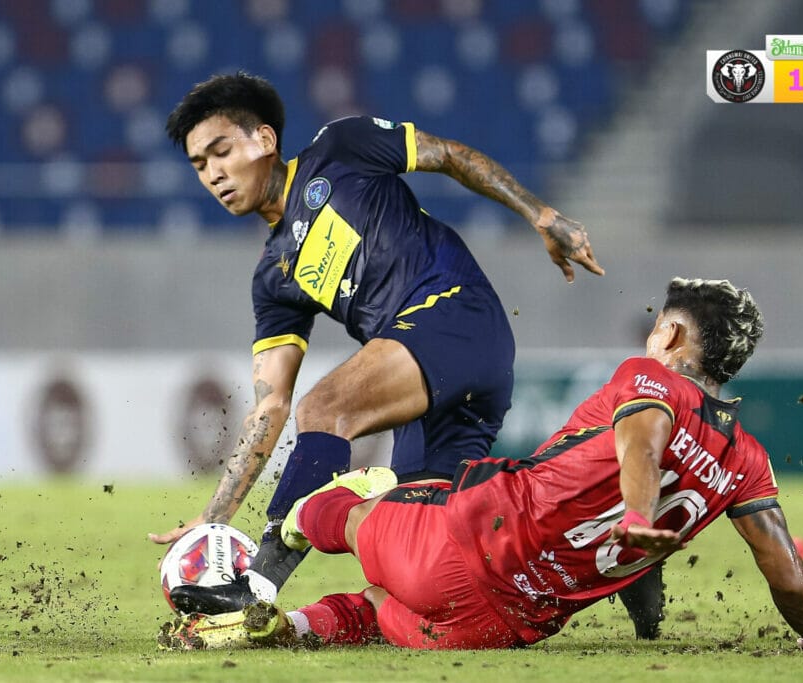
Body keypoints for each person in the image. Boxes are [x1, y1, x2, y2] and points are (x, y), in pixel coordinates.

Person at [159, 277, 803, 653]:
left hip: (461, 542)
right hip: (501, 623)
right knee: (376, 612)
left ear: (673, 334)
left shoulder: (648, 378)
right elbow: (786, 571)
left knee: (349, 506)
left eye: (660, 323)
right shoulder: (748, 461)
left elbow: (644, 439)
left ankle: (267, 562)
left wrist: (634, 512)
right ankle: (294, 628)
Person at [149, 73, 604, 611]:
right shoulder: (273, 278)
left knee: (325, 408)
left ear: (265, 140)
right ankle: (599, 536)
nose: (213, 174)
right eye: (199, 165)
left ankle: (257, 586)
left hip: (456, 315)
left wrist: (540, 214)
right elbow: (270, 404)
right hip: (429, 383)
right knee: (421, 549)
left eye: (221, 152)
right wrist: (214, 516)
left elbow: (449, 156)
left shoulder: (340, 148)